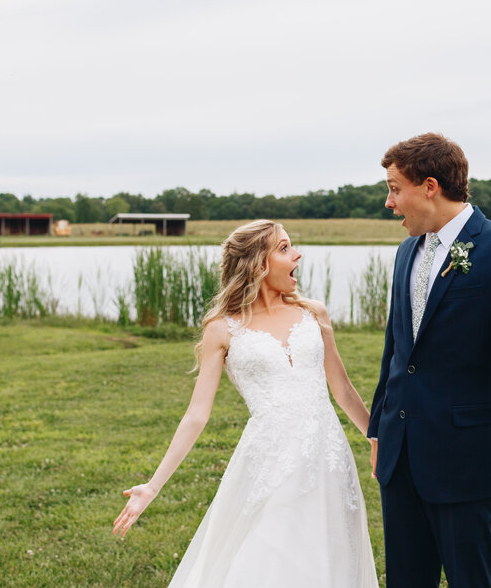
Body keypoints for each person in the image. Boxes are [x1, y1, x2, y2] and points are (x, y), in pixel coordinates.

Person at [113, 220, 378, 587]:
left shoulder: (314, 313)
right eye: (284, 248)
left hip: (328, 461)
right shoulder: (222, 328)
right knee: (268, 561)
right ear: (257, 263)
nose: (297, 254)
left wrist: (376, 439)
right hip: (269, 464)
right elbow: (196, 414)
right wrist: (153, 487)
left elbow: (343, 391)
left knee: (327, 560)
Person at [367, 133, 491, 588]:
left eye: (395, 189)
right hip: (400, 457)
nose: (389, 203)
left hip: (465, 461)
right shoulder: (405, 251)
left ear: (429, 186)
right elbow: (397, 351)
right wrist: (379, 427)